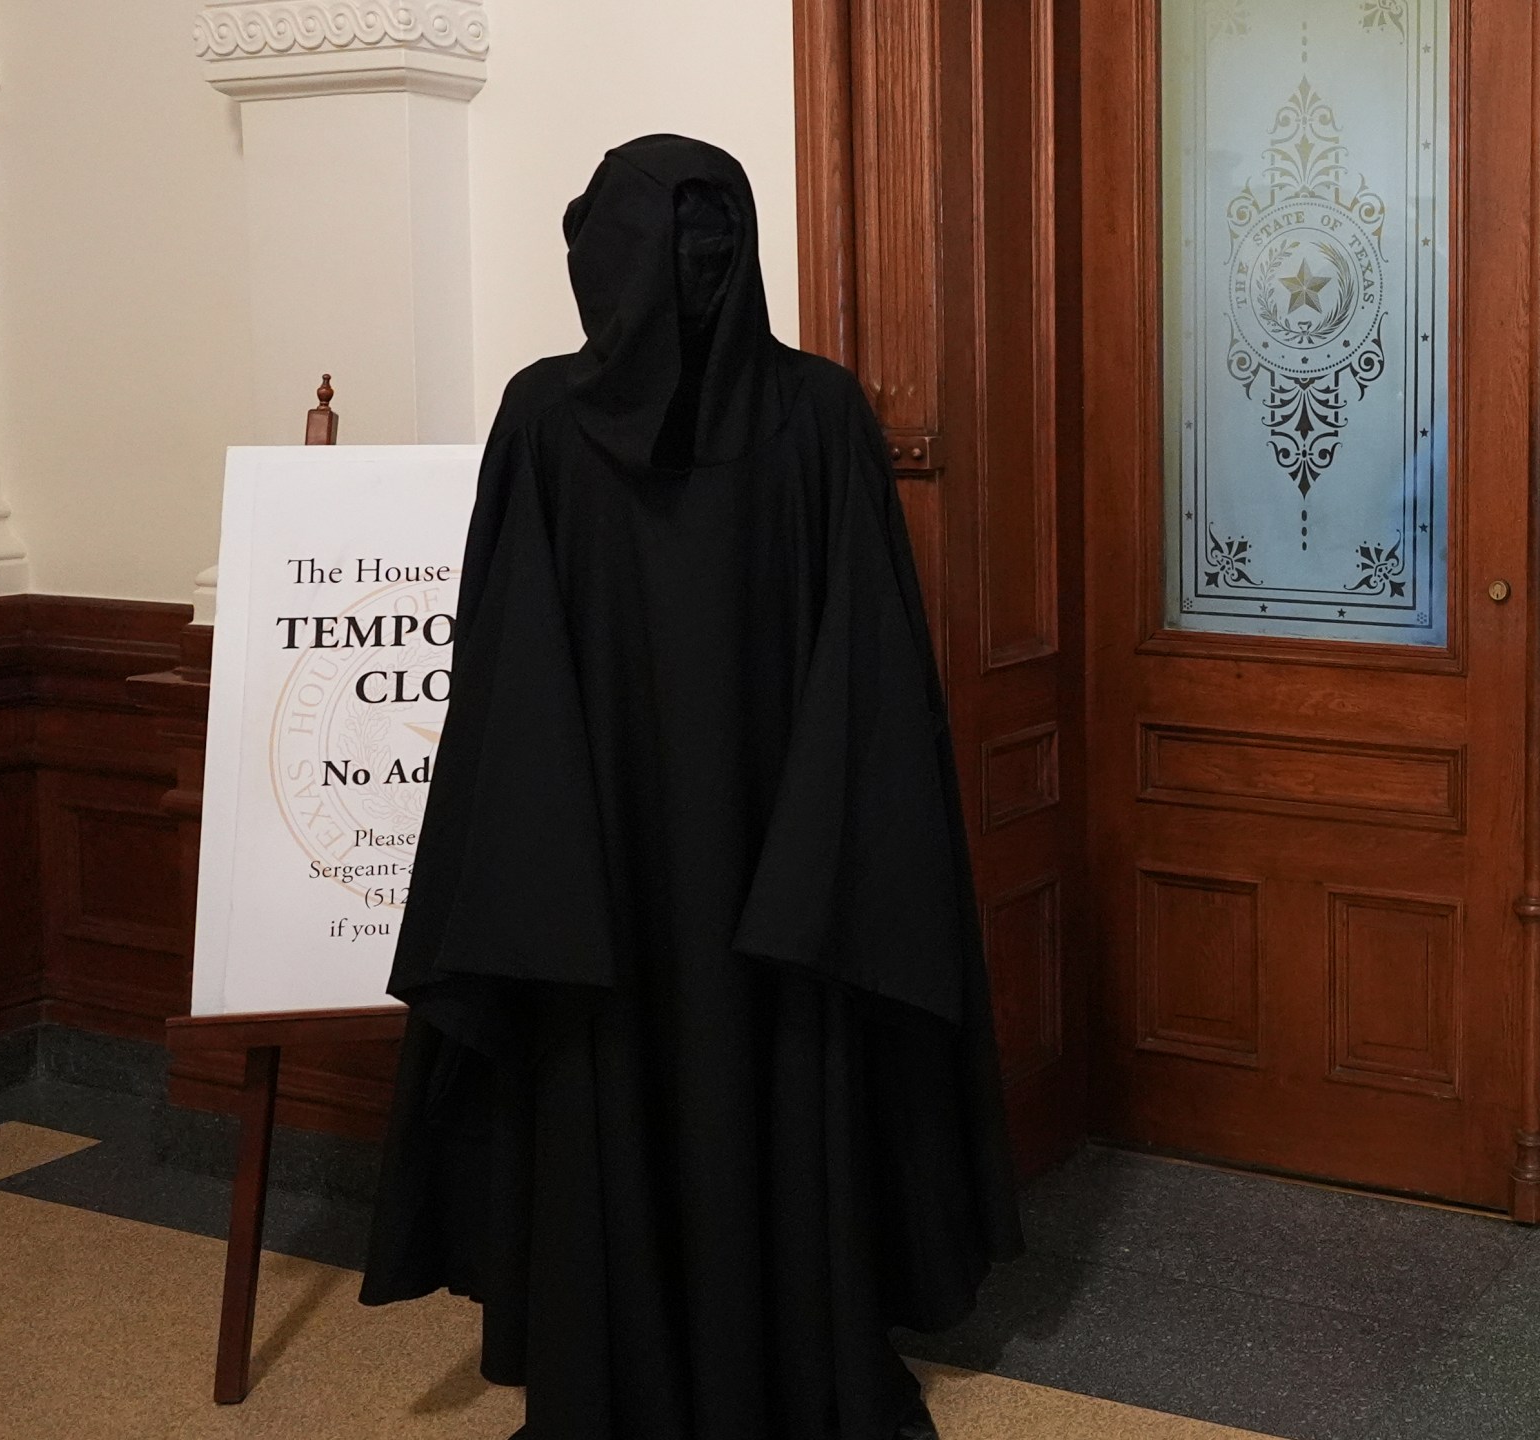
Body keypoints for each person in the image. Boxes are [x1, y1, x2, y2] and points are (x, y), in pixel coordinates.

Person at [360, 135, 1022, 1439]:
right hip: (771, 878)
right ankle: (790, 1352)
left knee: (619, 1095)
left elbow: (491, 663)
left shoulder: (553, 417)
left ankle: (623, 1363)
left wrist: (554, 853)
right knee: (773, 1091)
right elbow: (872, 686)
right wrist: (811, 862)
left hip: (593, 878)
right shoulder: (813, 413)